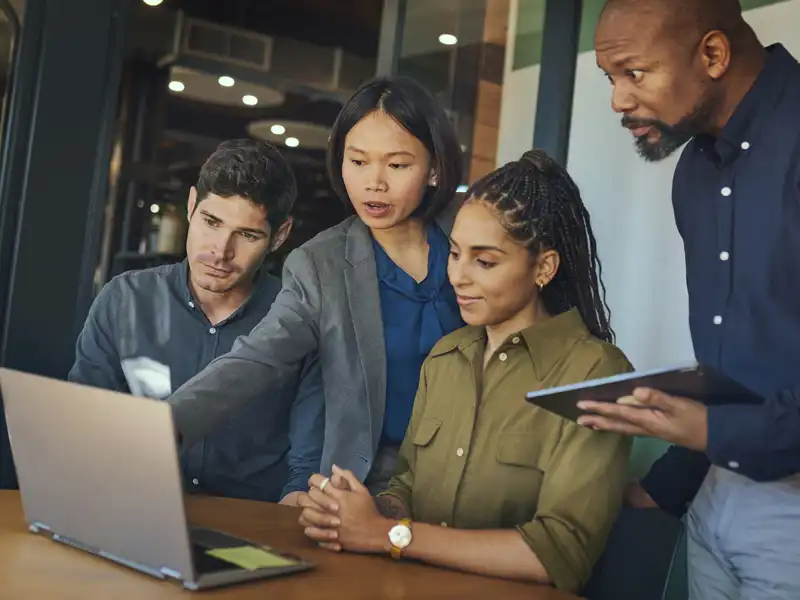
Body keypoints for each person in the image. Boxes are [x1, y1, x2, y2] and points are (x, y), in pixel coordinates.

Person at [297, 150, 633, 593]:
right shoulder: (445, 357)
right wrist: (366, 511)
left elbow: (559, 552)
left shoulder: (597, 374)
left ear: (544, 268)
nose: (458, 276)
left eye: (485, 261)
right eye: (455, 254)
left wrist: (390, 536)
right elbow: (407, 485)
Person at [578, 1, 800, 598]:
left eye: (634, 73)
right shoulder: (695, 171)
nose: (618, 101)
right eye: (610, 79)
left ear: (712, 54)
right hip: (713, 502)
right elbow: (735, 357)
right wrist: (673, 476)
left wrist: (710, 431)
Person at [166, 76, 465, 498]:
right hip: (369, 485)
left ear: (434, 168)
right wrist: (165, 423)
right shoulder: (320, 263)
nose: (373, 183)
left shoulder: (471, 236)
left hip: (471, 473)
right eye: (357, 162)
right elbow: (258, 358)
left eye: (397, 165)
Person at [69, 139, 324, 503]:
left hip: (251, 526)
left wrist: (297, 506)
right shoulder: (124, 300)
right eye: (211, 222)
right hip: (136, 509)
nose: (220, 251)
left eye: (247, 235)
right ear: (191, 206)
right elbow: (83, 427)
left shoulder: (299, 320)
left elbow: (307, 464)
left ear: (279, 235)